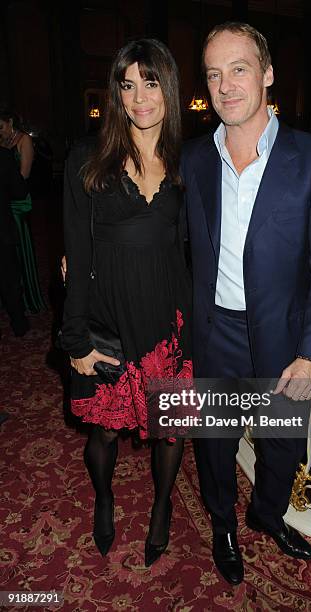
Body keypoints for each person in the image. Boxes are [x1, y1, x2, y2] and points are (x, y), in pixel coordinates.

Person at [181, 22, 311, 585]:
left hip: (285, 342)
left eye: (239, 68)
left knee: (281, 447)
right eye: (213, 73)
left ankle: (267, 514)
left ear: (268, 74)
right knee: (215, 446)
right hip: (215, 333)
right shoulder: (195, 160)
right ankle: (224, 525)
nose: (225, 85)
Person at [61, 39, 192, 564]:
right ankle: (105, 498)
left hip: (168, 325)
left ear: (170, 89)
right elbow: (74, 249)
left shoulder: (190, 165)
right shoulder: (85, 161)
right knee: (103, 433)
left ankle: (162, 508)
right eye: (128, 84)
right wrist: (74, 338)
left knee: (169, 433)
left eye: (151, 82)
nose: (139, 97)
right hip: (107, 324)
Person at [0, 109, 45, 313]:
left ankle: (28, 297)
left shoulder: (24, 140)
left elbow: (23, 176)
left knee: (19, 251)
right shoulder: (2, 142)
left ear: (9, 122)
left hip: (19, 203)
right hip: (4, 202)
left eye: (1, 126)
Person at [0, 146, 30, 338]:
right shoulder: (3, 155)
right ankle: (19, 323)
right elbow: (19, 191)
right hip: (1, 229)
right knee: (9, 278)